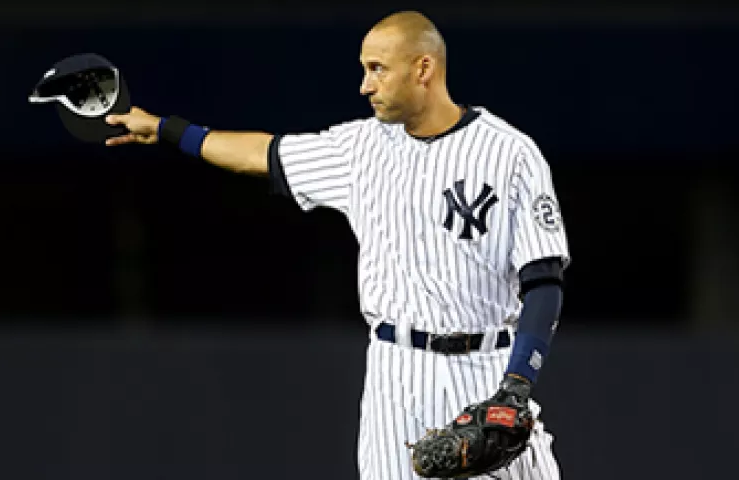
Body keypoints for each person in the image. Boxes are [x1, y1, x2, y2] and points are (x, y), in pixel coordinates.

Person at [105, 10, 570, 480]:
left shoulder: (510, 153)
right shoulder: (359, 149)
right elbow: (260, 155)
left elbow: (544, 281)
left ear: (423, 69)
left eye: (377, 69)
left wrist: (515, 387)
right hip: (397, 376)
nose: (365, 86)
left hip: (489, 369)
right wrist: (165, 129)